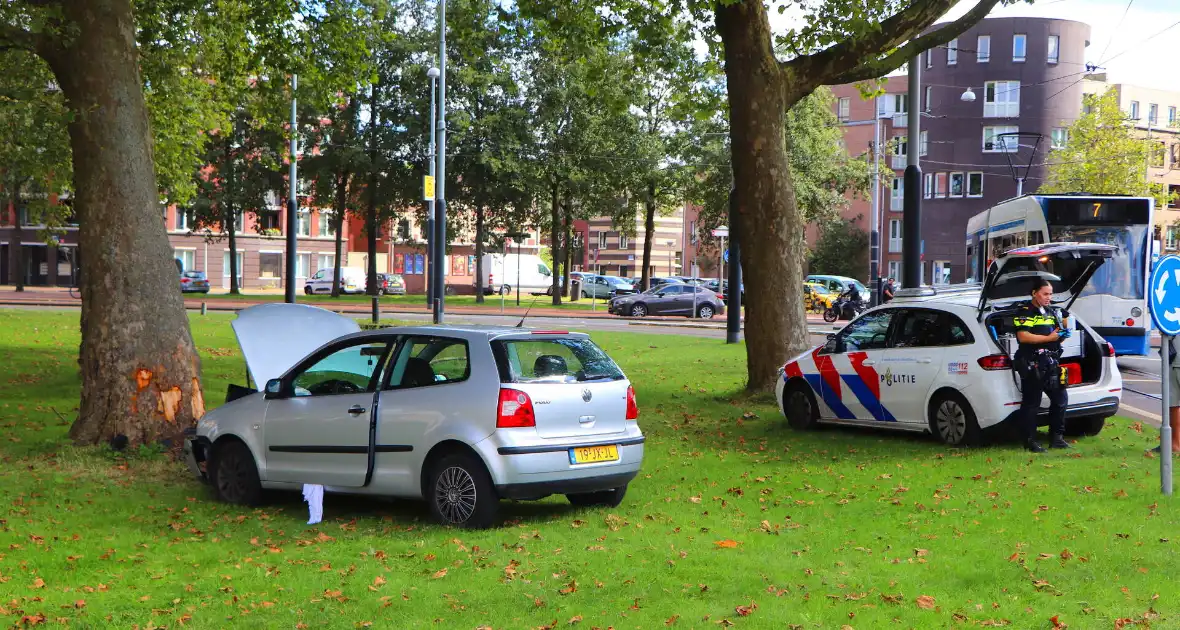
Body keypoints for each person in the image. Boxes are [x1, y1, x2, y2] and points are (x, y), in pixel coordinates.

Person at [1013, 278, 1071, 453]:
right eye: (1045, 294)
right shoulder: (1025, 311)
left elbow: (1058, 332)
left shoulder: (1051, 312)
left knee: (1061, 399)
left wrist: (1062, 332)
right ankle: (1030, 441)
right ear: (1034, 293)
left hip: (1051, 362)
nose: (1049, 297)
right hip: (1032, 362)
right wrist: (1049, 338)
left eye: (1051, 294)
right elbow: (1023, 336)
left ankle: (1057, 438)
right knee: (1032, 403)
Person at [1152, 335, 1180, 456]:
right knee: (1172, 404)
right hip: (1175, 360)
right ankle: (1174, 442)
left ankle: (1175, 443)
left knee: (1173, 404)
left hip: (1177, 361)